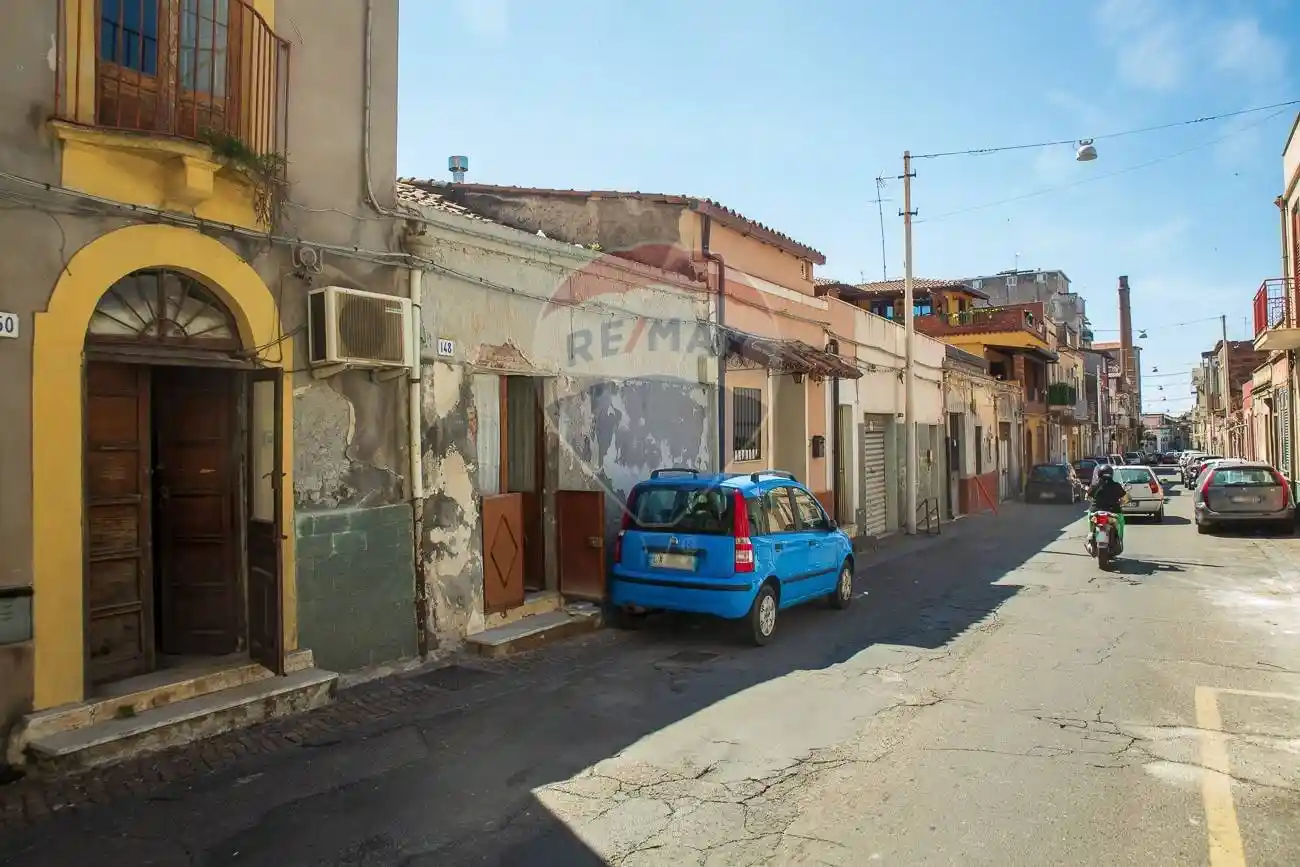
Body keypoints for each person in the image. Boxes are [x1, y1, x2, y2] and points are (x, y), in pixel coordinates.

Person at [1087, 465, 1128, 544]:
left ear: (1099, 474)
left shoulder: (1094, 485)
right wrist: (1122, 503)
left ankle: (1091, 535)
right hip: (1113, 511)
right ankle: (1119, 539)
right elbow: (1126, 499)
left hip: (1095, 511)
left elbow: (1087, 496)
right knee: (1121, 521)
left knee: (1090, 519)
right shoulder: (1116, 486)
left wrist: (1092, 499)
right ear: (1112, 474)